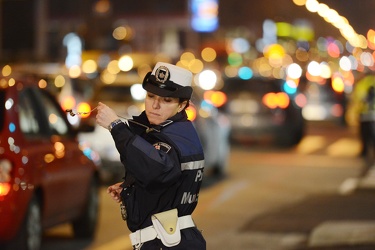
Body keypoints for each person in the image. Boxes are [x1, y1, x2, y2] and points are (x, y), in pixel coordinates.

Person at [96, 62, 206, 249]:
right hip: (171, 240)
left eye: (166, 100)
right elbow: (169, 185)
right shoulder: (175, 131)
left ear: (182, 105)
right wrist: (131, 188)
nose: (155, 105)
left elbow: (157, 170)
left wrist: (116, 127)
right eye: (150, 96)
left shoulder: (175, 137)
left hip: (167, 243)